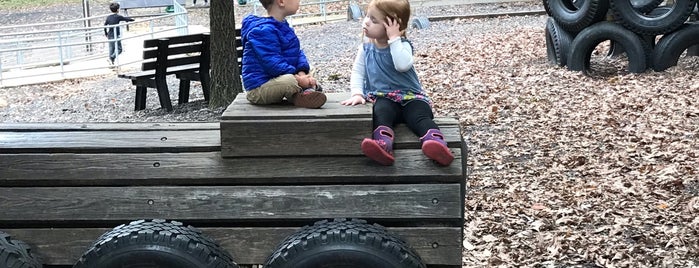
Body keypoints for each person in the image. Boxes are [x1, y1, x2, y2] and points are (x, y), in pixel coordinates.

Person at [340, 0, 454, 166]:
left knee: (419, 115)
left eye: (374, 20)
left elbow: (402, 65)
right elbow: (358, 72)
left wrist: (394, 39)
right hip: (384, 98)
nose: (366, 22)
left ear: (392, 26)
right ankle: (383, 145)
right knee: (381, 112)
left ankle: (436, 144)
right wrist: (357, 93)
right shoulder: (365, 48)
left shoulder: (403, 46)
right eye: (367, 16)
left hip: (411, 97)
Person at [240, 0, 326, 109]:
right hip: (260, 87)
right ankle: (306, 90)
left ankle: (302, 95)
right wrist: (299, 79)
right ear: (281, 2)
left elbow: (297, 53)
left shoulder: (283, 26)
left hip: (280, 78)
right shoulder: (262, 31)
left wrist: (302, 73)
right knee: (289, 81)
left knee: (310, 69)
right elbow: (273, 64)